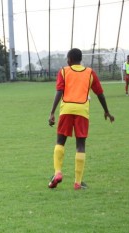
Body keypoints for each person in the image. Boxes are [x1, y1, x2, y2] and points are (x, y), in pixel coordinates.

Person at [48, 48, 115, 190]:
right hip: (82, 111)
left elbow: (59, 91)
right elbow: (100, 94)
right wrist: (107, 111)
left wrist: (52, 112)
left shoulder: (63, 71)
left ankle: (58, 172)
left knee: (60, 141)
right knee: (80, 145)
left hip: (66, 110)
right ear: (80, 59)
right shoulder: (90, 73)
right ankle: (77, 182)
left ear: (69, 59)